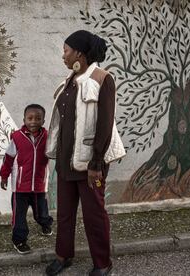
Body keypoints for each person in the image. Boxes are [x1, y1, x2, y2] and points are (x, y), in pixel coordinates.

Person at [45, 30, 126, 276]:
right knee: (65, 214)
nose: (63, 55)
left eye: (66, 50)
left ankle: (102, 263)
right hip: (66, 162)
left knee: (94, 215)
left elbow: (105, 124)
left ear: (79, 52)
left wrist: (96, 163)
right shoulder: (67, 83)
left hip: (91, 163)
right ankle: (63, 255)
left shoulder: (103, 79)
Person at [0, 104, 54, 254]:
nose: (33, 122)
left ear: (43, 121)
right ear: (24, 119)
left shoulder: (48, 137)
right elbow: (8, 158)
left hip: (39, 185)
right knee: (19, 217)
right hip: (20, 188)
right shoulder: (17, 137)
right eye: (30, 118)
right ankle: (19, 240)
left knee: (41, 213)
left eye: (38, 118)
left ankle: (45, 223)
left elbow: (54, 153)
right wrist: (4, 176)